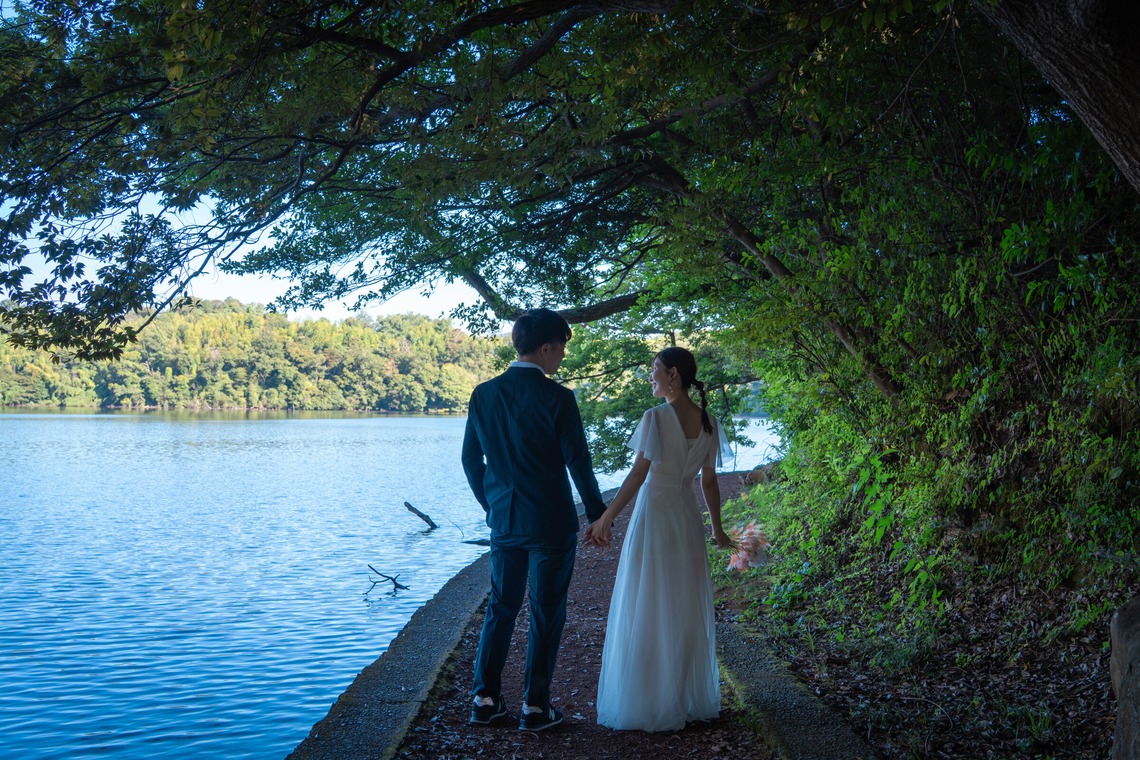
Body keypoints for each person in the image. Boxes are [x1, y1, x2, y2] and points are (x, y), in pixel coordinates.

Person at [461, 308, 608, 732]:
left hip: (505, 521)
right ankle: (535, 707)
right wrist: (598, 515)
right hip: (550, 523)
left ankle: (484, 701)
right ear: (546, 348)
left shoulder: (483, 394)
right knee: (546, 612)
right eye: (561, 348)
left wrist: (491, 506)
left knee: (500, 608)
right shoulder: (558, 398)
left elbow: (471, 461)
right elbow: (578, 463)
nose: (561, 356)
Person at [584, 346, 733, 732]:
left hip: (654, 515)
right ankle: (677, 697)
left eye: (654, 369)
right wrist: (716, 529)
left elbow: (638, 475)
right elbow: (709, 482)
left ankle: (647, 698)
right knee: (681, 603)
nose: (650, 376)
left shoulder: (655, 417)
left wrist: (606, 518)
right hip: (686, 517)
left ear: (673, 375)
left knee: (647, 597)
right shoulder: (709, 421)